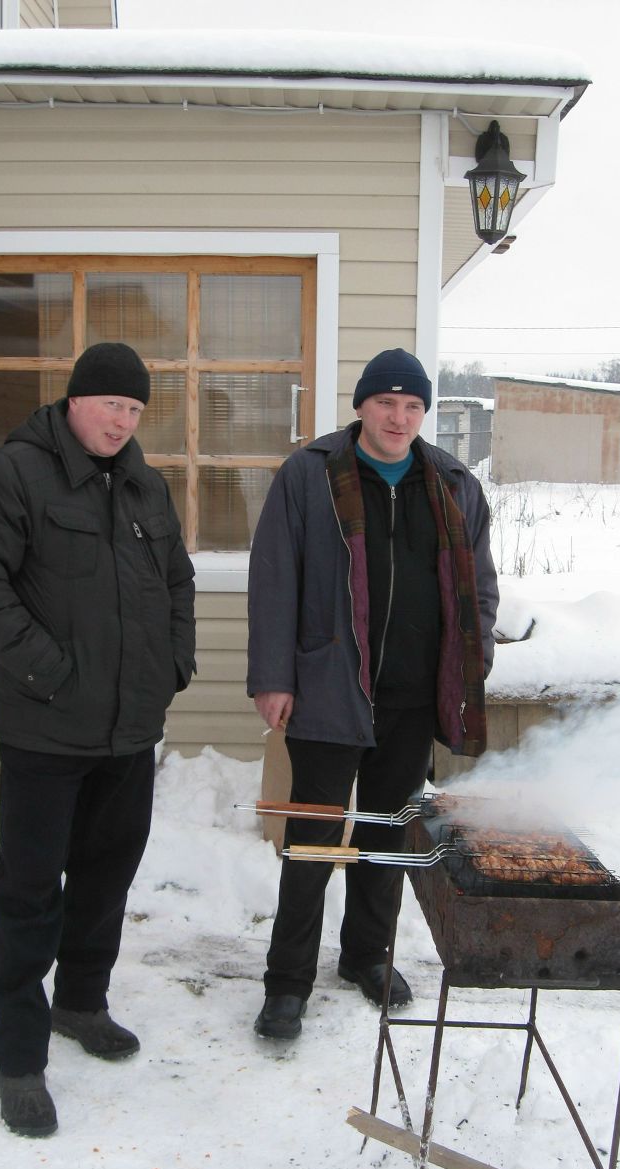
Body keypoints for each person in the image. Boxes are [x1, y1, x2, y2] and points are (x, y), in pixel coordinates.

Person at [0, 342, 196, 1135]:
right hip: (45, 730)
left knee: (106, 876)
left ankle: (81, 1003)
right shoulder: (15, 475)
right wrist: (51, 672)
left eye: (134, 410)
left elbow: (178, 582)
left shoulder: (147, 486)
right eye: (110, 406)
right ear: (75, 401)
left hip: (129, 730)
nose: (122, 422)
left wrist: (175, 663)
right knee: (28, 893)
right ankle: (18, 1054)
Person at [247, 348, 498, 1040]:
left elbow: (478, 585)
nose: (399, 417)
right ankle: (286, 983)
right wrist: (273, 677)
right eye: (386, 403)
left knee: (386, 837)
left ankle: (366, 958)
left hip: (413, 697)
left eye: (413, 406)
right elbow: (273, 579)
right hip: (327, 688)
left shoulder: (451, 483)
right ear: (361, 406)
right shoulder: (311, 476)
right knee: (313, 842)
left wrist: (474, 657)